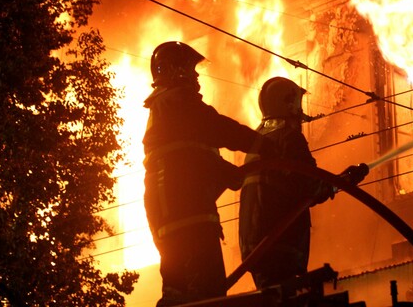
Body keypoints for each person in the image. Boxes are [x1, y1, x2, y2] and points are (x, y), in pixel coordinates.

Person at [142, 41, 276, 306]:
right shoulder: (176, 100)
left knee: (179, 291)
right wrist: (261, 144)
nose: (195, 76)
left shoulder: (164, 109)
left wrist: (226, 173)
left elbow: (189, 157)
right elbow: (215, 128)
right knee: (208, 292)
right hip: (188, 214)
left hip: (170, 213)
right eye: (190, 69)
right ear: (172, 70)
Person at [238, 76, 368, 289]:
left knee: (271, 297)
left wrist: (337, 180)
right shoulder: (289, 138)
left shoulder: (257, 142)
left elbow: (296, 182)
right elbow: (310, 187)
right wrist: (342, 182)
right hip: (282, 244)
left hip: (255, 247)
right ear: (289, 104)